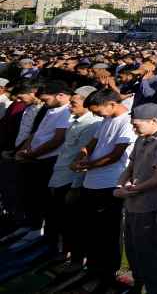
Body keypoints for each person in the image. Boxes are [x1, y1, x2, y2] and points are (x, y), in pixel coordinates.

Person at [73, 88, 136, 292]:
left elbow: (117, 154)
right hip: (92, 182)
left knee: (108, 234)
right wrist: (82, 155)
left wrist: (88, 165)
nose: (96, 114)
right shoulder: (106, 120)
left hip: (110, 184)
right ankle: (94, 269)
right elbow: (93, 143)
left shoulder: (127, 122)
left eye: (97, 110)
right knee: (91, 231)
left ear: (111, 104)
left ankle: (108, 275)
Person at [114, 104, 157, 294]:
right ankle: (138, 283)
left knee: (152, 251)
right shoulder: (142, 138)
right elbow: (130, 166)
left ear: (153, 121)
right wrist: (120, 185)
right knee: (133, 249)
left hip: (151, 205)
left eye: (136, 125)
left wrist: (133, 189)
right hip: (133, 203)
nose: (134, 129)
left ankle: (155, 288)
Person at [46, 86, 100, 272]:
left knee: (73, 223)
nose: (70, 107)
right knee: (61, 220)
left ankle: (76, 260)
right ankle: (65, 254)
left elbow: (84, 157)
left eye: (74, 103)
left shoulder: (92, 125)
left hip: (71, 180)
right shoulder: (75, 121)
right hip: (60, 176)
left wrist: (75, 187)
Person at [13, 81, 71, 248]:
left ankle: (43, 231)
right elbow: (36, 133)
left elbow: (57, 139)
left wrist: (32, 154)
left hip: (49, 160)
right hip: (35, 157)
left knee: (46, 198)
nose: (45, 102)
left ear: (60, 95)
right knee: (32, 194)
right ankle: (32, 225)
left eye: (47, 99)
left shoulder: (66, 111)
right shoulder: (50, 109)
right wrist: (24, 149)